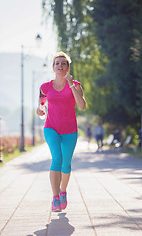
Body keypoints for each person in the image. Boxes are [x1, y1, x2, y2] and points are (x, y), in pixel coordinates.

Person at [36, 51, 86, 212]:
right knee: (56, 158)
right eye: (57, 63)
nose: (60, 65)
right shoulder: (45, 87)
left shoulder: (76, 85)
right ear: (53, 67)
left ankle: (63, 191)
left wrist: (71, 84)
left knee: (66, 164)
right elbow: (41, 104)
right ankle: (55, 197)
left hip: (70, 130)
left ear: (68, 67)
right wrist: (40, 110)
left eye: (63, 63)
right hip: (51, 127)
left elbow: (82, 106)